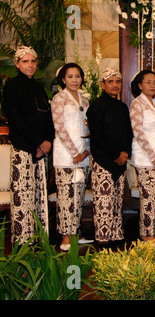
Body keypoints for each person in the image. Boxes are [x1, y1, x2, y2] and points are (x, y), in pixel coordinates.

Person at [3, 46, 55, 245]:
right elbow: (15, 119)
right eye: (25, 61)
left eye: (33, 61)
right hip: (23, 149)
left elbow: (47, 118)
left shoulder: (39, 87)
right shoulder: (12, 86)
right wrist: (38, 142)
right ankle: (23, 242)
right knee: (23, 197)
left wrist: (48, 141)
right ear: (17, 64)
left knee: (40, 196)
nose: (30, 65)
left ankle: (39, 240)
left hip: (41, 151)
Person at [86, 68, 133, 247]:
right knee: (103, 202)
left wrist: (125, 153)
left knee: (116, 200)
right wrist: (115, 155)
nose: (114, 85)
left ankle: (116, 235)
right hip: (103, 160)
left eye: (117, 82)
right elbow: (97, 136)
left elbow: (129, 134)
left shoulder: (122, 107)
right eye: (110, 82)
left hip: (120, 161)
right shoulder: (96, 106)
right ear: (102, 85)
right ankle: (103, 238)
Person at [51, 63, 91, 251]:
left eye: (77, 76)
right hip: (66, 156)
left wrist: (86, 151)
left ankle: (76, 233)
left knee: (78, 196)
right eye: (70, 76)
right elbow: (59, 128)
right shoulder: (59, 99)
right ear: (63, 79)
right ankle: (66, 237)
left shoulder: (84, 100)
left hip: (83, 156)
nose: (75, 80)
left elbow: (88, 127)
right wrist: (74, 153)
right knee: (66, 197)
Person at [129, 69, 155, 245]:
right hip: (145, 159)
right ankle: (146, 236)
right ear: (140, 85)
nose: (152, 85)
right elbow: (138, 132)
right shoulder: (137, 104)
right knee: (148, 197)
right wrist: (153, 156)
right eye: (148, 82)